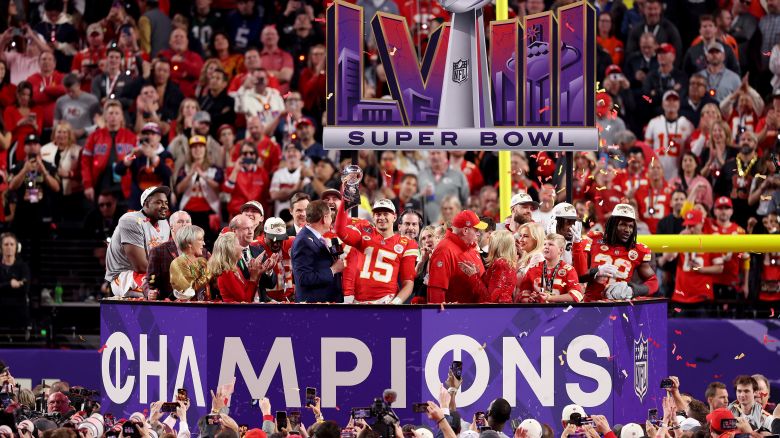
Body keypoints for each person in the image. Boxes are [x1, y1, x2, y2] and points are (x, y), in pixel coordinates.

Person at [336, 198, 418, 304]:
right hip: (359, 301)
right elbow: (340, 230)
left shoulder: (406, 243)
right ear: (373, 217)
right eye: (378, 214)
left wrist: (394, 304)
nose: (381, 217)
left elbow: (408, 283)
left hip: (386, 301)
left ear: (395, 217)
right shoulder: (364, 230)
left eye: (385, 213)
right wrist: (345, 202)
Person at [577, 204, 658, 301]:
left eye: (631, 226)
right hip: (591, 304)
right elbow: (579, 276)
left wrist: (633, 290)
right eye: (623, 224)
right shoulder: (594, 240)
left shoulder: (638, 250)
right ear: (613, 224)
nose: (628, 230)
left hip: (619, 308)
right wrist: (595, 272)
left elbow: (653, 282)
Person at [105, 186, 171, 298]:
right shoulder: (131, 220)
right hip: (125, 276)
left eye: (166, 202)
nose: (164, 206)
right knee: (165, 292)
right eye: (159, 202)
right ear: (146, 204)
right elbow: (140, 266)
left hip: (151, 273)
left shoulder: (164, 223)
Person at [661, 209, 724, 304]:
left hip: (702, 295)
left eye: (693, 226)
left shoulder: (710, 240)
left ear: (701, 224)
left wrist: (701, 269)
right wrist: (678, 239)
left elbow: (720, 268)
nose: (690, 229)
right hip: (681, 295)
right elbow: (667, 257)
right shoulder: (682, 240)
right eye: (687, 226)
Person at [81, 99, 138, 203]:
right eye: (111, 113)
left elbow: (136, 157)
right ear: (105, 116)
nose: (114, 116)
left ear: (121, 117)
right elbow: (85, 162)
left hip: (124, 184)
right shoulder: (94, 136)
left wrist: (127, 160)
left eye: (117, 113)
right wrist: (87, 185)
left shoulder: (131, 137)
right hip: (100, 183)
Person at [427, 210, 487, 304]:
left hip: (474, 312)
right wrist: (439, 316)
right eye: (476, 230)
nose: (478, 233)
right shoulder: (444, 250)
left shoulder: (471, 247)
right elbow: (436, 291)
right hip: (456, 315)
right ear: (465, 230)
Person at [291, 200, 345, 302]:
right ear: (324, 218)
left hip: (324, 305)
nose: (331, 219)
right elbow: (303, 278)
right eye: (329, 216)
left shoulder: (315, 238)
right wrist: (333, 270)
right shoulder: (303, 241)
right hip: (314, 308)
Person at [118, 122, 173, 211]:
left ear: (159, 137)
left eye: (153, 133)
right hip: (137, 206)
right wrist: (131, 156)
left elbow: (168, 173)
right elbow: (119, 169)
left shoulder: (166, 155)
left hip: (159, 207)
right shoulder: (136, 154)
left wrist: (154, 157)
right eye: (146, 134)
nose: (149, 136)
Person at [517, 234, 584, 303]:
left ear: (561, 250)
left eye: (550, 244)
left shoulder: (568, 270)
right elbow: (522, 293)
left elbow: (576, 295)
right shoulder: (533, 268)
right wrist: (529, 299)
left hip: (560, 312)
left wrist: (550, 298)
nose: (546, 247)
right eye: (544, 244)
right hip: (537, 312)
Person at [644, 90, 694, 180]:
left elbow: (691, 152)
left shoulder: (688, 125)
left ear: (679, 104)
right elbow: (647, 151)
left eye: (674, 100)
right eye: (668, 100)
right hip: (658, 170)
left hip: (679, 172)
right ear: (663, 104)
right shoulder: (654, 123)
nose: (671, 103)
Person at [457, 230, 516, 303]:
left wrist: (474, 276)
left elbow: (490, 299)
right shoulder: (507, 263)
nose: (489, 245)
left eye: (491, 242)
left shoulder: (501, 263)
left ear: (497, 245)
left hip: (494, 312)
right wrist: (477, 274)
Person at [145, 210, 193, 300]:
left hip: (195, 305)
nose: (185, 224)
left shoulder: (200, 251)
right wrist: (149, 292)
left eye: (188, 222)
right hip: (169, 305)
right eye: (180, 222)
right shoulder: (158, 251)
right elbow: (149, 280)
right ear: (171, 226)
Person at [208, 231, 264, 303]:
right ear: (231, 249)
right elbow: (244, 300)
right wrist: (253, 277)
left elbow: (249, 296)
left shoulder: (236, 269)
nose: (242, 247)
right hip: (234, 313)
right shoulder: (226, 273)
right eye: (239, 244)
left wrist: (257, 274)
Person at [417, 150, 469, 224]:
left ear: (445, 155)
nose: (435, 156)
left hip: (453, 225)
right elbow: (413, 199)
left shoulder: (458, 175)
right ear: (428, 156)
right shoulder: (422, 175)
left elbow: (465, 201)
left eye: (438, 153)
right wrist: (421, 195)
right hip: (427, 225)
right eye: (432, 153)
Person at [223, 142, 270, 218]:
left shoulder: (262, 172)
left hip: (256, 216)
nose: (248, 156)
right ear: (240, 155)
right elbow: (227, 190)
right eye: (245, 153)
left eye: (251, 153)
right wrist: (236, 170)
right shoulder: (232, 170)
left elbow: (266, 196)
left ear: (255, 155)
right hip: (237, 214)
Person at [53, 74, 99, 145]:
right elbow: (56, 122)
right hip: (66, 140)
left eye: (72, 91)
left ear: (78, 85)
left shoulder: (91, 100)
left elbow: (99, 123)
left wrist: (84, 130)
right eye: (67, 91)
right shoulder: (60, 101)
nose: (70, 94)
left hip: (86, 140)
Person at [257, 217, 295, 302]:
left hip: (290, 301)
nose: (276, 244)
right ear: (265, 234)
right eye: (273, 239)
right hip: (267, 303)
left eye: (280, 239)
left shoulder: (292, 243)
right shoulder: (255, 247)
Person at [169, 225, 211, 301]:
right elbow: (189, 290)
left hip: (206, 307)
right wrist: (208, 274)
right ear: (189, 243)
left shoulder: (202, 261)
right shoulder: (178, 263)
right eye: (200, 240)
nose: (204, 243)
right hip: (187, 309)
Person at [0, 232, 30, 331]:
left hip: (19, 316)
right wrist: (10, 284)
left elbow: (25, 288)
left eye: (12, 244)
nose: (9, 247)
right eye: (6, 244)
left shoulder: (23, 267)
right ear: (1, 248)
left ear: (17, 248)